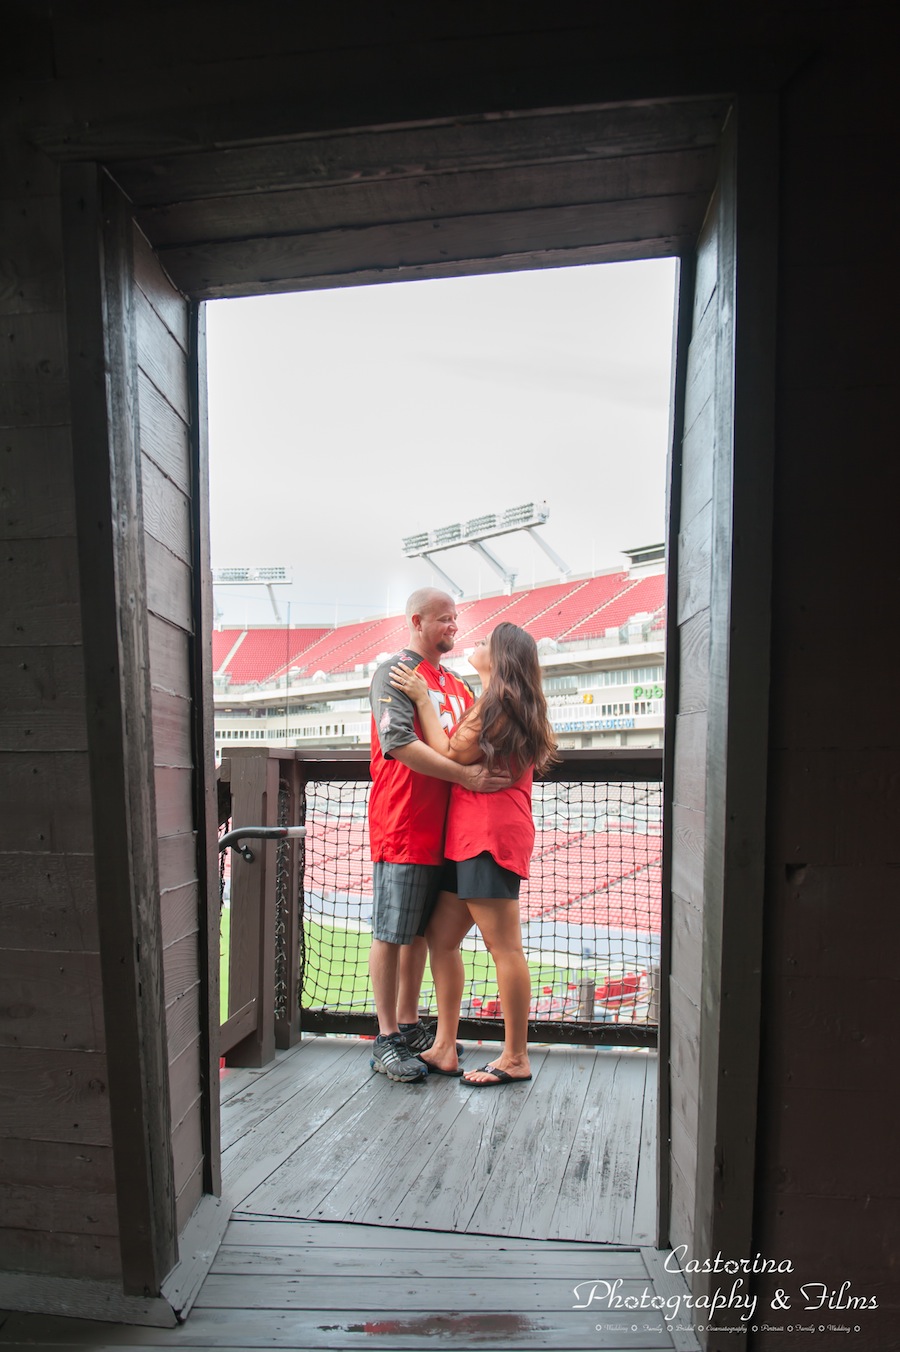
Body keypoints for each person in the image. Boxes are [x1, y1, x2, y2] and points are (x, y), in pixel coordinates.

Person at [389, 621, 557, 1086]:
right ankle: (444, 1046)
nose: (475, 644)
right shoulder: (493, 703)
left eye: (485, 643)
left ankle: (515, 1057)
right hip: (468, 836)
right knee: (440, 937)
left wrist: (423, 698)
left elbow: (446, 751)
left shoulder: (497, 705)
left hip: (489, 834)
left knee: (504, 948)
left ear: (500, 657)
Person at [367, 588, 507, 1083]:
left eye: (455, 619)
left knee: (423, 934)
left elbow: (465, 742)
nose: (453, 626)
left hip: (449, 830)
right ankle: (385, 1037)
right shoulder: (395, 671)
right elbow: (399, 743)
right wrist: (465, 778)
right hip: (404, 822)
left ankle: (408, 1024)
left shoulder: (453, 681)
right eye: (444, 619)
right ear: (416, 621)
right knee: (391, 931)